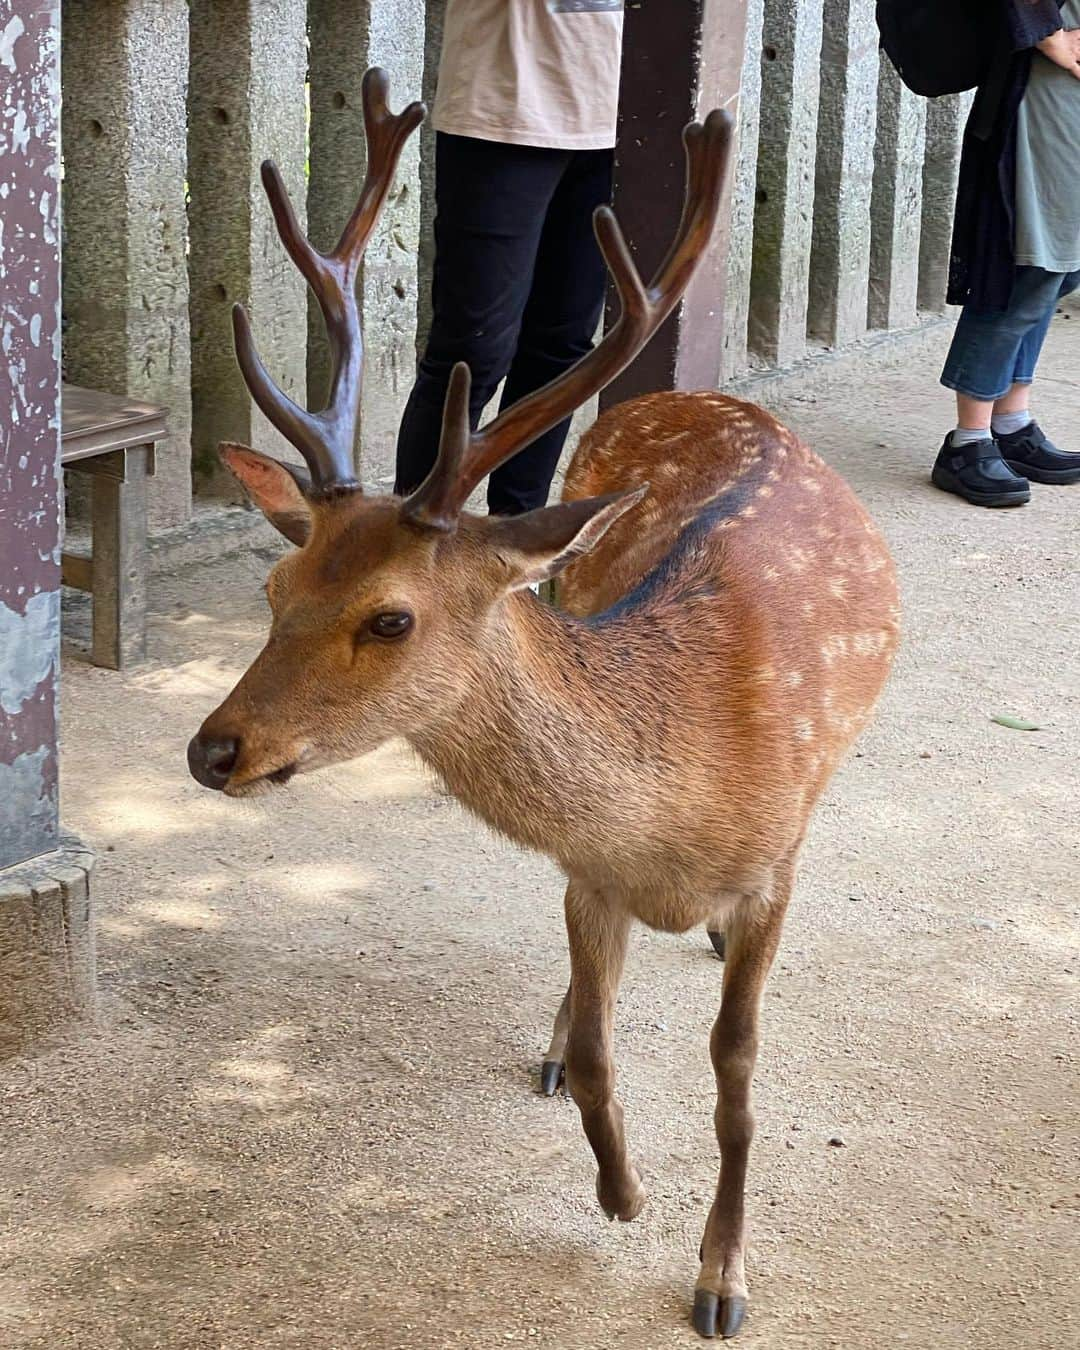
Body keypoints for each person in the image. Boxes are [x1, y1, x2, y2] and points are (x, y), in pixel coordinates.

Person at [394, 1, 624, 517]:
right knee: (470, 355)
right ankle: (405, 543)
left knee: (561, 350)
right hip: (500, 110)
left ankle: (516, 545)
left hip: (620, 110)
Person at [932, 0, 1080, 507]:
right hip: (1049, 90)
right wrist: (1049, 33)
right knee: (1032, 263)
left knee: (1063, 268)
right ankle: (967, 441)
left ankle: (1010, 420)